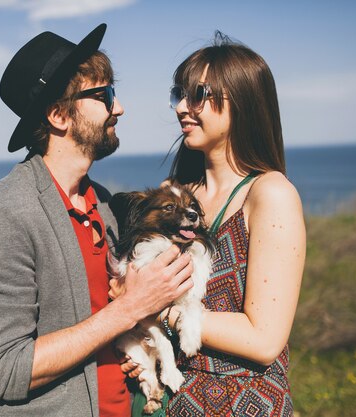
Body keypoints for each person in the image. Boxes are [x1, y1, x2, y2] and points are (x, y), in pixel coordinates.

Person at [0, 24, 194, 417]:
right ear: (60, 115)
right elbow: (8, 370)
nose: (119, 107)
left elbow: (107, 322)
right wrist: (128, 309)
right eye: (104, 95)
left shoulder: (108, 207)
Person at [120, 32, 306, 416]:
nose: (182, 107)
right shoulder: (181, 197)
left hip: (243, 405)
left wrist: (154, 309)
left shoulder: (270, 194)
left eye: (198, 95)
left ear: (242, 102)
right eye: (179, 94)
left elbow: (265, 339)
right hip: (168, 402)